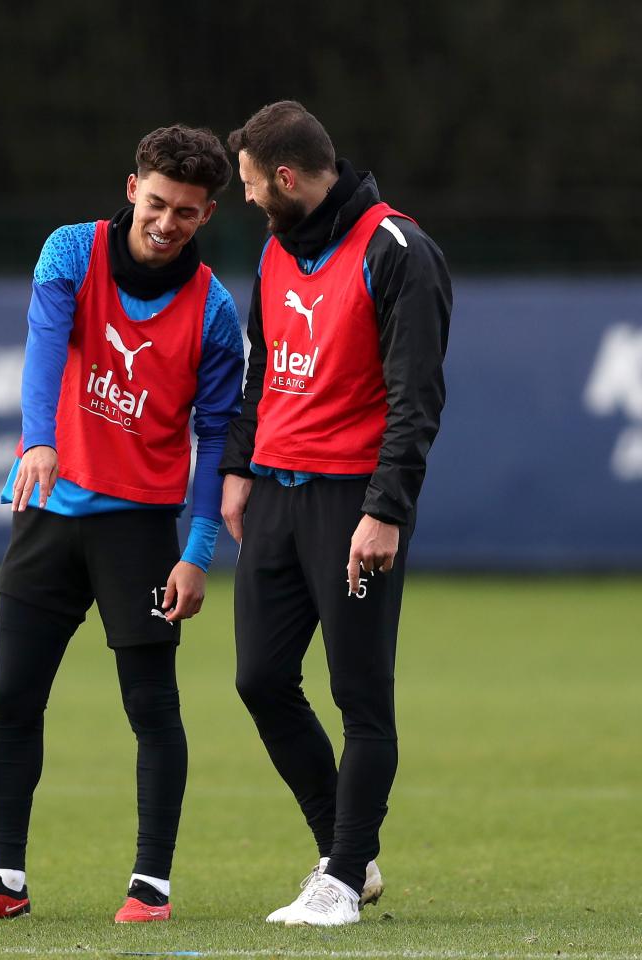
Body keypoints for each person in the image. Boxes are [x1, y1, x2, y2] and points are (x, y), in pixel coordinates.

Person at [0, 125, 242, 925]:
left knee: (151, 706)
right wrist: (39, 441)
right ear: (132, 187)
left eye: (189, 213)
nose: (168, 223)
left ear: (207, 217)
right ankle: (4, 880)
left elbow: (217, 439)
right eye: (159, 203)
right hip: (50, 515)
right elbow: (42, 345)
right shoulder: (71, 250)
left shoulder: (213, 310)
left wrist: (197, 553)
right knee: (12, 694)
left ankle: (151, 888)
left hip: (138, 531)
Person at [220, 101, 451, 927]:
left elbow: (415, 398)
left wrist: (385, 510)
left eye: (250, 184)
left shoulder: (399, 252)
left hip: (354, 502)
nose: (245, 199)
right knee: (259, 680)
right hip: (275, 497)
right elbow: (261, 372)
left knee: (361, 698)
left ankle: (343, 879)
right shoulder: (278, 248)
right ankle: (343, 849)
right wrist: (240, 466)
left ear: (287, 177)